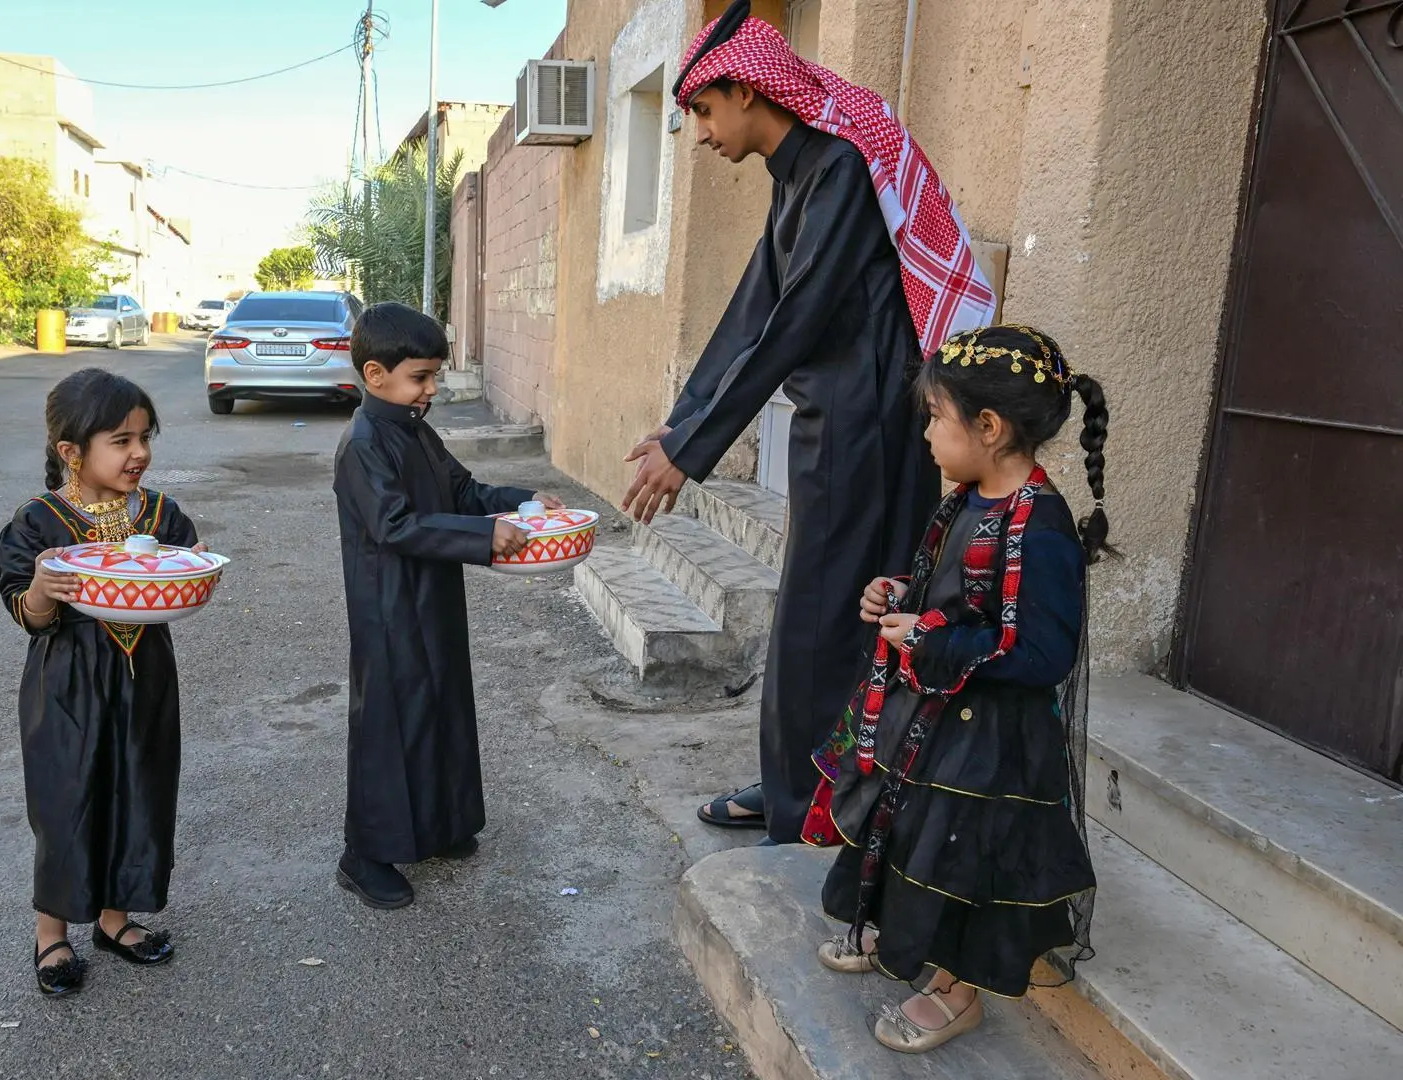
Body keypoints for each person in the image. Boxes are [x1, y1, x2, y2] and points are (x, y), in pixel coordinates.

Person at [621, 0, 996, 845]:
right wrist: (680, 425)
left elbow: (794, 321)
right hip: (839, 419)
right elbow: (750, 311)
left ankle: (811, 805)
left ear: (748, 92)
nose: (702, 135)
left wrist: (694, 451)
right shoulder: (796, 175)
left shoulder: (840, 168)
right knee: (819, 618)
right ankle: (803, 786)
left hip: (871, 425)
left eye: (704, 111)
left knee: (825, 622)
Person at [805, 325, 1108, 1053]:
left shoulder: (1041, 528)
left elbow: (1041, 653)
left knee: (959, 859)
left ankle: (955, 992)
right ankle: (897, 936)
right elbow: (954, 595)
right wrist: (897, 595)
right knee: (908, 834)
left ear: (989, 427)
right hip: (935, 720)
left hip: (991, 747)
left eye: (937, 417)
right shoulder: (967, 502)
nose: (928, 434)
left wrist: (930, 639)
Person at [331, 302, 564, 909]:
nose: (432, 388)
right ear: (376, 374)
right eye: (421, 377)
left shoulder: (415, 428)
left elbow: (460, 490)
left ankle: (439, 825)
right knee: (392, 723)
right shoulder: (362, 445)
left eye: (434, 375)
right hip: (387, 609)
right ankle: (364, 854)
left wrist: (521, 500)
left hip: (433, 597)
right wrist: (483, 536)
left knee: (444, 706)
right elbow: (394, 524)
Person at [0, 368, 205, 996]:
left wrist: (188, 571)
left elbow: (183, 571)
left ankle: (115, 920)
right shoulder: (39, 523)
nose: (138, 453)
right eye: (121, 441)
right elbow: (29, 615)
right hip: (67, 685)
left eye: (145, 438)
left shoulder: (160, 514)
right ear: (71, 451)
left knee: (141, 790)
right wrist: (41, 588)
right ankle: (51, 934)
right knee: (67, 801)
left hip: (146, 678)